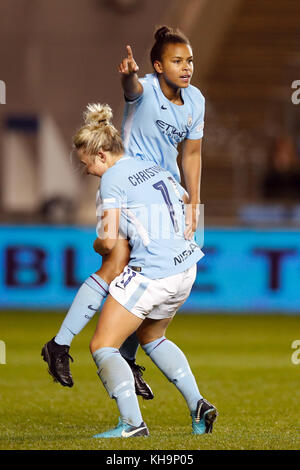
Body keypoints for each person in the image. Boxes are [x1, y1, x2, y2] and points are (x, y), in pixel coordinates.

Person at [41, 26, 205, 399]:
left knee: (134, 274)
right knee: (119, 263)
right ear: (158, 66)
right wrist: (129, 75)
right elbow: (132, 91)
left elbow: (192, 154)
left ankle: (74, 347)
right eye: (178, 61)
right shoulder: (144, 89)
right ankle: (77, 348)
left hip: (165, 192)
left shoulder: (196, 101)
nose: (186, 67)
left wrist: (195, 203)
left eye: (190, 60)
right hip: (132, 188)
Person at [74, 102, 217, 437]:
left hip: (153, 273)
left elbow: (109, 244)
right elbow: (182, 198)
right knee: (152, 336)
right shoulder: (151, 167)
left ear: (101, 155)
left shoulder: (111, 180)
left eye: (87, 164)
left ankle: (132, 424)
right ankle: (198, 405)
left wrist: (97, 242)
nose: (88, 171)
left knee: (102, 345)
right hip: (185, 268)